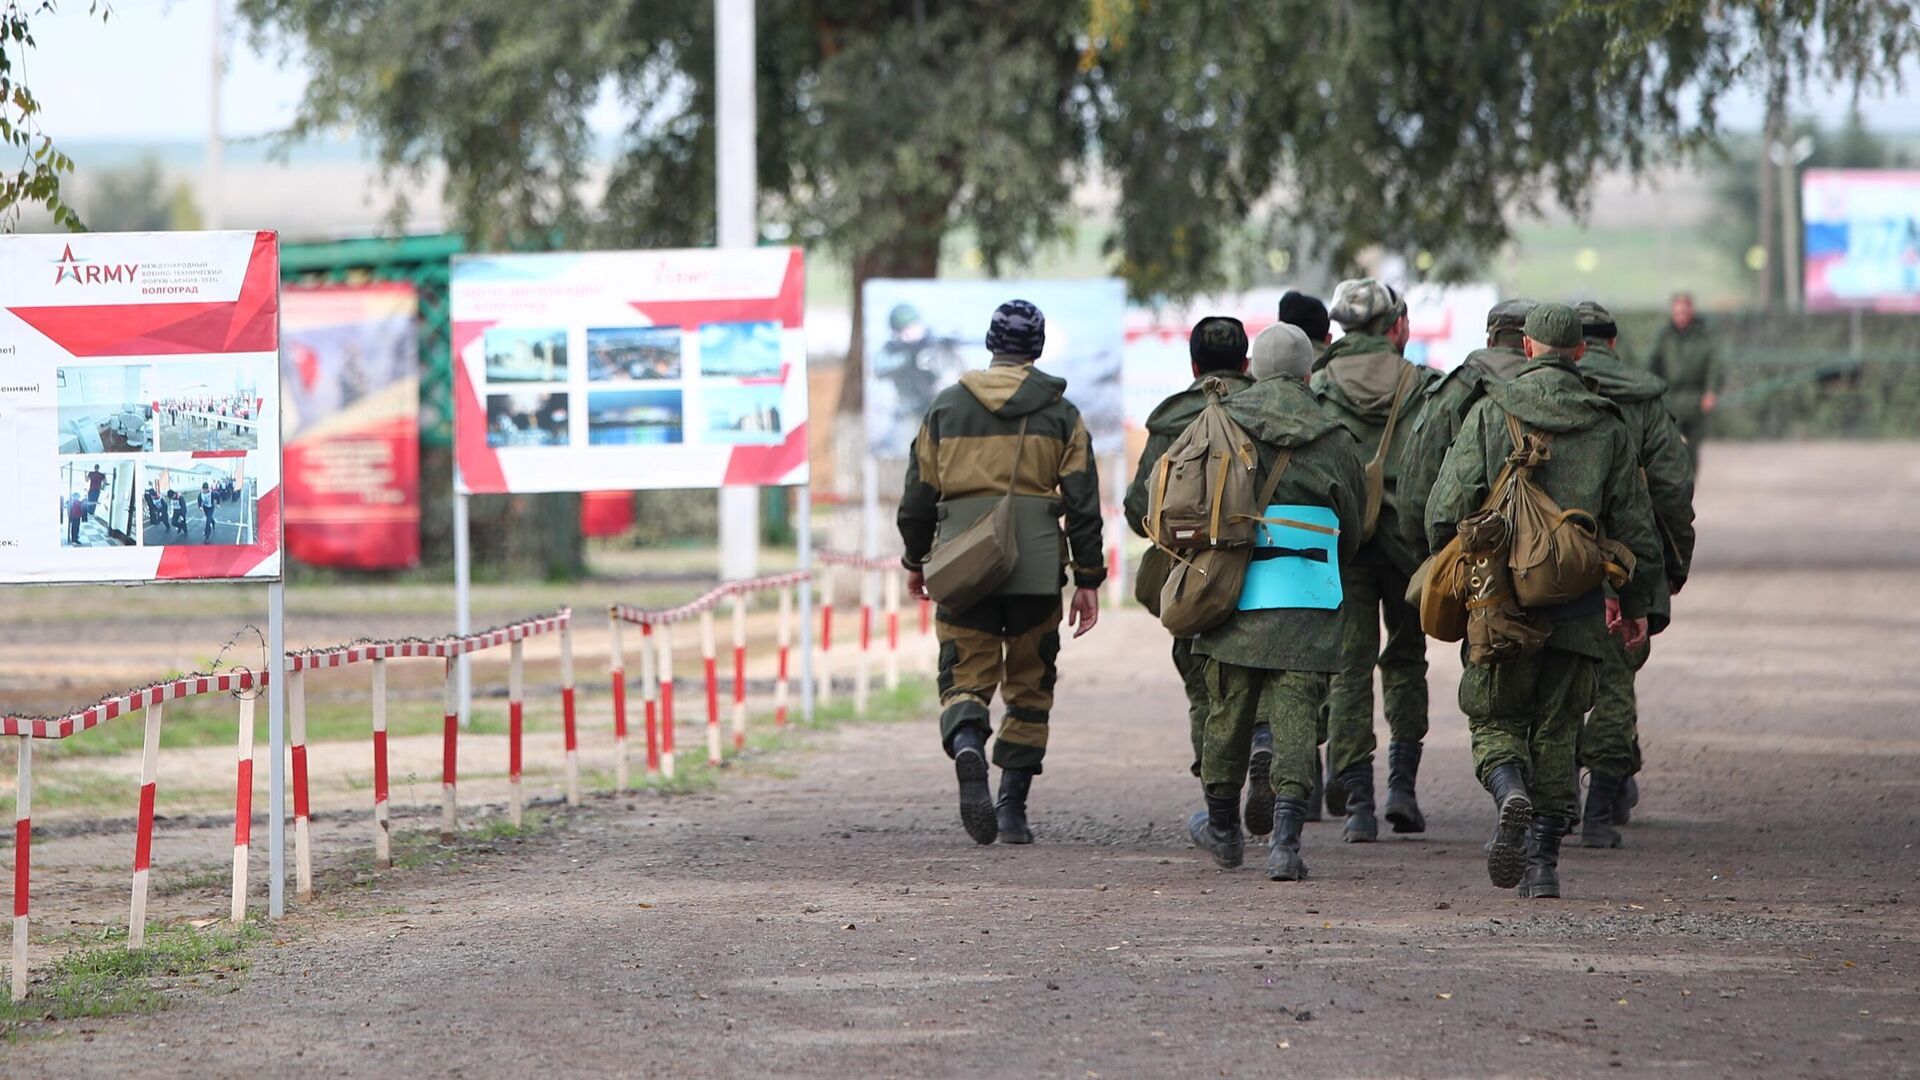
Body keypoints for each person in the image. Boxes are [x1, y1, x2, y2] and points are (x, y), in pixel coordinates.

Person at [1425, 302, 1663, 898]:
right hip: (1580, 605)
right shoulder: (1608, 425)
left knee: (1496, 717)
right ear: (1581, 351)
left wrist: (1450, 565)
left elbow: (1444, 507)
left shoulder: (1490, 413)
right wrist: (1636, 604)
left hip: (1500, 604)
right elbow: (1635, 526)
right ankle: (1545, 865)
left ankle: (1511, 791)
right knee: (1559, 728)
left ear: (1526, 347)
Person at [899, 300, 1106, 846]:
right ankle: (1012, 809)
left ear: (991, 345)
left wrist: (916, 561)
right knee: (1030, 686)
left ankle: (968, 741)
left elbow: (916, 499)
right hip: (1037, 570)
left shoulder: (945, 408)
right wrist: (1088, 578)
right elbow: (1083, 501)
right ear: (1036, 350)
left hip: (964, 567)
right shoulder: (1062, 414)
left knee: (966, 675)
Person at [1185, 322, 1366, 878]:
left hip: (1232, 590)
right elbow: (1353, 527)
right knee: (1295, 717)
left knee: (1228, 713)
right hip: (1308, 596)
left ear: (1253, 369)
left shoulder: (1218, 420)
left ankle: (1223, 831)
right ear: (1309, 371)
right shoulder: (1333, 436)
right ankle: (1285, 844)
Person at [1125, 317, 1275, 831]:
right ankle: (1261, 739)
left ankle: (1219, 807)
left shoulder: (1173, 418)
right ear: (1246, 364)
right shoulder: (1267, 411)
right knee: (1263, 674)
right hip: (1266, 568)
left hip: (1195, 575)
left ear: (1193, 366)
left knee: (1204, 688)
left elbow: (1135, 506)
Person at [1311, 279, 1438, 841]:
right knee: (1407, 661)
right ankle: (1401, 789)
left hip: (1346, 548)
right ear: (1394, 327)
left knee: (1348, 670)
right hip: (1410, 547)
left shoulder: (1316, 385)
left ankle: (1358, 804)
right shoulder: (1423, 384)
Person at [1574, 302, 1697, 847]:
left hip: (1552, 556)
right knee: (1617, 676)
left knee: (1555, 679)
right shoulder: (1644, 400)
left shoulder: (1541, 392)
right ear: (1613, 344)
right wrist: (1675, 562)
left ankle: (1555, 800)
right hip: (1631, 552)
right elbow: (1671, 488)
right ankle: (1601, 808)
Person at [1399, 300, 1538, 561]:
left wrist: (1427, 556)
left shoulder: (1453, 390)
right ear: (1533, 343)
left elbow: (1416, 486)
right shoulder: (1559, 393)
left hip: (1468, 555)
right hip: (1548, 558)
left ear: (1490, 341)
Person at [1646, 292, 1719, 472]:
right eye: (1677, 312)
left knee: (1692, 448)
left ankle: (1690, 483)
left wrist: (1710, 391)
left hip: (1694, 399)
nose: (1681, 316)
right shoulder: (1664, 337)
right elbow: (1652, 365)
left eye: (1684, 312)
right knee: (1670, 446)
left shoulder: (1703, 337)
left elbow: (1713, 365)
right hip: (1669, 399)